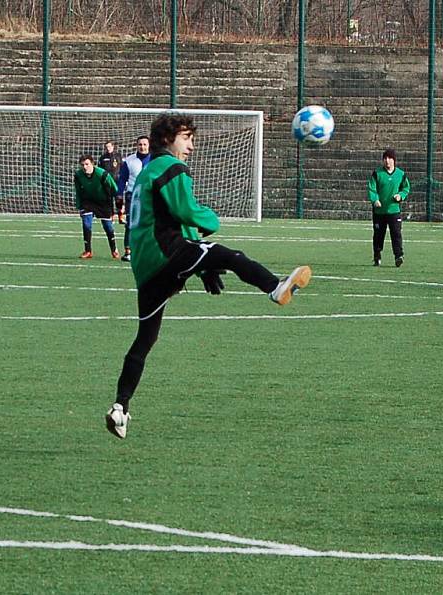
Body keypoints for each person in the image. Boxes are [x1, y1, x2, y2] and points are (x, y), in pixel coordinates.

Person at [105, 113, 312, 439]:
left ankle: (120, 407)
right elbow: (187, 212)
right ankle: (275, 287)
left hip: (145, 269)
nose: (191, 145)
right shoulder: (170, 168)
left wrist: (201, 265)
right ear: (166, 140)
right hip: (165, 253)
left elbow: (171, 217)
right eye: (186, 138)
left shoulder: (147, 173)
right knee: (230, 255)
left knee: (145, 339)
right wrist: (211, 220)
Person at [368, 147, 410, 267]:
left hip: (394, 210)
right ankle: (377, 255)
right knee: (378, 235)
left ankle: (398, 256)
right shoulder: (377, 174)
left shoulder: (401, 174)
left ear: (394, 160)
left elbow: (406, 188)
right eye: (385, 158)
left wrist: (400, 195)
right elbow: (372, 188)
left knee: (396, 233)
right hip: (379, 212)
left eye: (390, 158)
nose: (387, 161)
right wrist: (375, 199)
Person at [74, 154, 120, 259]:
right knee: (86, 224)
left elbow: (114, 189)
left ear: (93, 164)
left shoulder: (102, 174)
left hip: (103, 202)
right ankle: (88, 251)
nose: (85, 167)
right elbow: (78, 191)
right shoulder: (78, 175)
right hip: (88, 202)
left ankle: (114, 249)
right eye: (82, 165)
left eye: (87, 164)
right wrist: (79, 206)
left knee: (108, 227)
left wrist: (116, 207)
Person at [116, 135, 151, 260]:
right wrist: (119, 193)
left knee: (149, 223)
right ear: (136, 145)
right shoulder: (129, 160)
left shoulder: (155, 160)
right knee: (131, 223)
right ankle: (128, 251)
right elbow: (122, 179)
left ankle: (147, 251)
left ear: (149, 145)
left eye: (144, 144)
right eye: (140, 144)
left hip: (150, 195)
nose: (142, 147)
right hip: (132, 195)